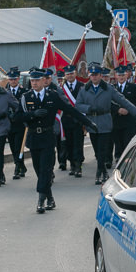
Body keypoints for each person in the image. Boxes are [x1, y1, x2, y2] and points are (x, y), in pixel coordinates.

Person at [21, 69, 97, 213]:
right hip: (34, 138)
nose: (34, 83)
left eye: (37, 80)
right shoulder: (26, 97)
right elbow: (18, 117)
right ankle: (50, 197)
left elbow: (70, 110)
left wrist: (87, 122)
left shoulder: (53, 96)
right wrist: (32, 114)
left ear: (44, 81)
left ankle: (41, 200)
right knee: (39, 170)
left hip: (48, 138)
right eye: (32, 80)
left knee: (45, 169)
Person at [76, 65, 136, 185]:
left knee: (102, 150)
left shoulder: (108, 88)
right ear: (90, 75)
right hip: (92, 122)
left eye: (96, 75)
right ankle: (104, 171)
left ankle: (99, 173)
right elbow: (78, 104)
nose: (94, 77)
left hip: (105, 121)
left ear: (100, 75)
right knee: (97, 151)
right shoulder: (84, 89)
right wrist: (89, 108)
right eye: (92, 75)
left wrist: (135, 112)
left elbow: (122, 100)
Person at [59, 65, 85, 177]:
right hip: (66, 120)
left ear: (75, 74)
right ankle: (72, 165)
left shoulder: (82, 86)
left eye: (71, 73)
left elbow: (84, 102)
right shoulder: (61, 88)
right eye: (68, 74)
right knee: (68, 144)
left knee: (78, 144)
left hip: (78, 120)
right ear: (65, 75)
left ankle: (78, 166)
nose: (70, 75)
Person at [5, 69, 28, 180]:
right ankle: (21, 165)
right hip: (8, 123)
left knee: (19, 146)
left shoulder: (24, 92)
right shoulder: (4, 92)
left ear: (18, 79)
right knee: (13, 147)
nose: (13, 81)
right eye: (10, 79)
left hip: (20, 124)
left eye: (14, 79)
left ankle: (18, 167)